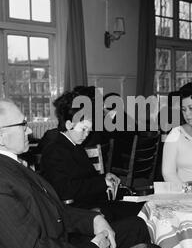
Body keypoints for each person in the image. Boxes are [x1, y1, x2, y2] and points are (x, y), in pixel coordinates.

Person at [0, 97, 168, 248]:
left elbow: (51, 210)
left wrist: (92, 219)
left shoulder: (6, 165)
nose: (29, 130)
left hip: (58, 241)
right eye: (23, 124)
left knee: (137, 226)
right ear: (0, 136)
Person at [40, 91, 144, 222]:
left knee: (141, 208)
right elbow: (64, 190)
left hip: (89, 204)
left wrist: (104, 177)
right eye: (83, 129)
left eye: (89, 130)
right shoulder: (55, 150)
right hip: (78, 212)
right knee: (138, 216)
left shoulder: (74, 145)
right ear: (68, 124)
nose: (86, 135)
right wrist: (101, 182)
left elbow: (84, 178)